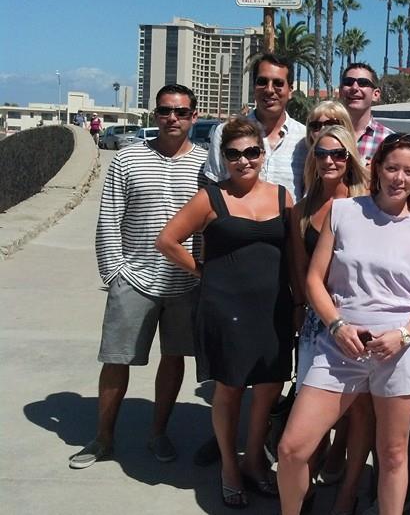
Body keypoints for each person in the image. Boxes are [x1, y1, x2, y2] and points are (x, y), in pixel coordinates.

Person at [277, 133, 410, 515]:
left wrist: (402, 336)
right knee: (292, 449)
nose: (398, 178)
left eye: (408, 171)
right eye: (391, 168)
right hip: (339, 345)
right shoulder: (345, 212)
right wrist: (337, 326)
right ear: (376, 169)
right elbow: (313, 281)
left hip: (398, 351)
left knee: (392, 455)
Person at [157, 118, 305, 508]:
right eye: (234, 154)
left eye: (251, 152)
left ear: (263, 153)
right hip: (225, 309)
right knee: (230, 388)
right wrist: (201, 271)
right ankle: (229, 466)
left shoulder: (282, 197)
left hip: (273, 307)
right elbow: (168, 240)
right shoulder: (210, 197)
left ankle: (255, 460)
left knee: (269, 386)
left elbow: (293, 258)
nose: (243, 161)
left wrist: (298, 304)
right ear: (224, 158)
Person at [69, 84, 206, 470]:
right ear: (155, 114)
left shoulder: (207, 164)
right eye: (165, 111)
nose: (173, 118)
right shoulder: (128, 160)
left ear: (194, 116)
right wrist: (115, 272)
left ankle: (158, 433)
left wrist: (205, 273)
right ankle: (103, 438)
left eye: (181, 112)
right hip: (134, 279)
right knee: (116, 360)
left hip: (186, 282)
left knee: (174, 358)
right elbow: (109, 220)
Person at [290, 120, 372, 514]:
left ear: (350, 158)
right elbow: (302, 272)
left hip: (360, 321)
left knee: (359, 415)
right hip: (315, 323)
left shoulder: (366, 203)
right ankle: (303, 491)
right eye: (320, 153)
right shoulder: (302, 209)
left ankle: (348, 492)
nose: (328, 160)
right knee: (311, 412)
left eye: (338, 153)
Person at [204, 53, 308, 200]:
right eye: (262, 82)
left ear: (290, 90)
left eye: (278, 83)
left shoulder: (305, 138)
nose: (269, 90)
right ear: (254, 87)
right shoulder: (225, 133)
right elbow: (213, 187)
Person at [338, 62, 394, 165]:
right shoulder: (323, 133)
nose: (354, 88)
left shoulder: (389, 141)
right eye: (348, 82)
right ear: (341, 91)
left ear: (375, 94)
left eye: (363, 83)